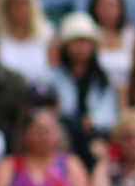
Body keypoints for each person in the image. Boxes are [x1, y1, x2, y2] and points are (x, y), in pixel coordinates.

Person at [49, 12, 117, 164]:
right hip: (63, 132)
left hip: (96, 133)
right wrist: (79, 122)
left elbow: (110, 113)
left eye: (85, 42)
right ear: (65, 46)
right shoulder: (52, 77)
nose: (81, 47)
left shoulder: (103, 78)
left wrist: (93, 121)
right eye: (76, 42)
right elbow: (55, 110)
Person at [0, 107, 90, 186]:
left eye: (48, 130)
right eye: (38, 130)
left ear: (58, 134)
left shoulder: (71, 164)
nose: (43, 136)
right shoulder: (8, 166)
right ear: (25, 134)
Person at [0, 0, 53, 84]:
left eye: (24, 3)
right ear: (5, 6)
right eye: (14, 3)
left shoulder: (47, 33)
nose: (19, 8)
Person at [87, 0, 135, 88]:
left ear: (120, 8)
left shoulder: (131, 35)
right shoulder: (87, 34)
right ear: (94, 7)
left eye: (112, 5)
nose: (108, 10)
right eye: (103, 5)